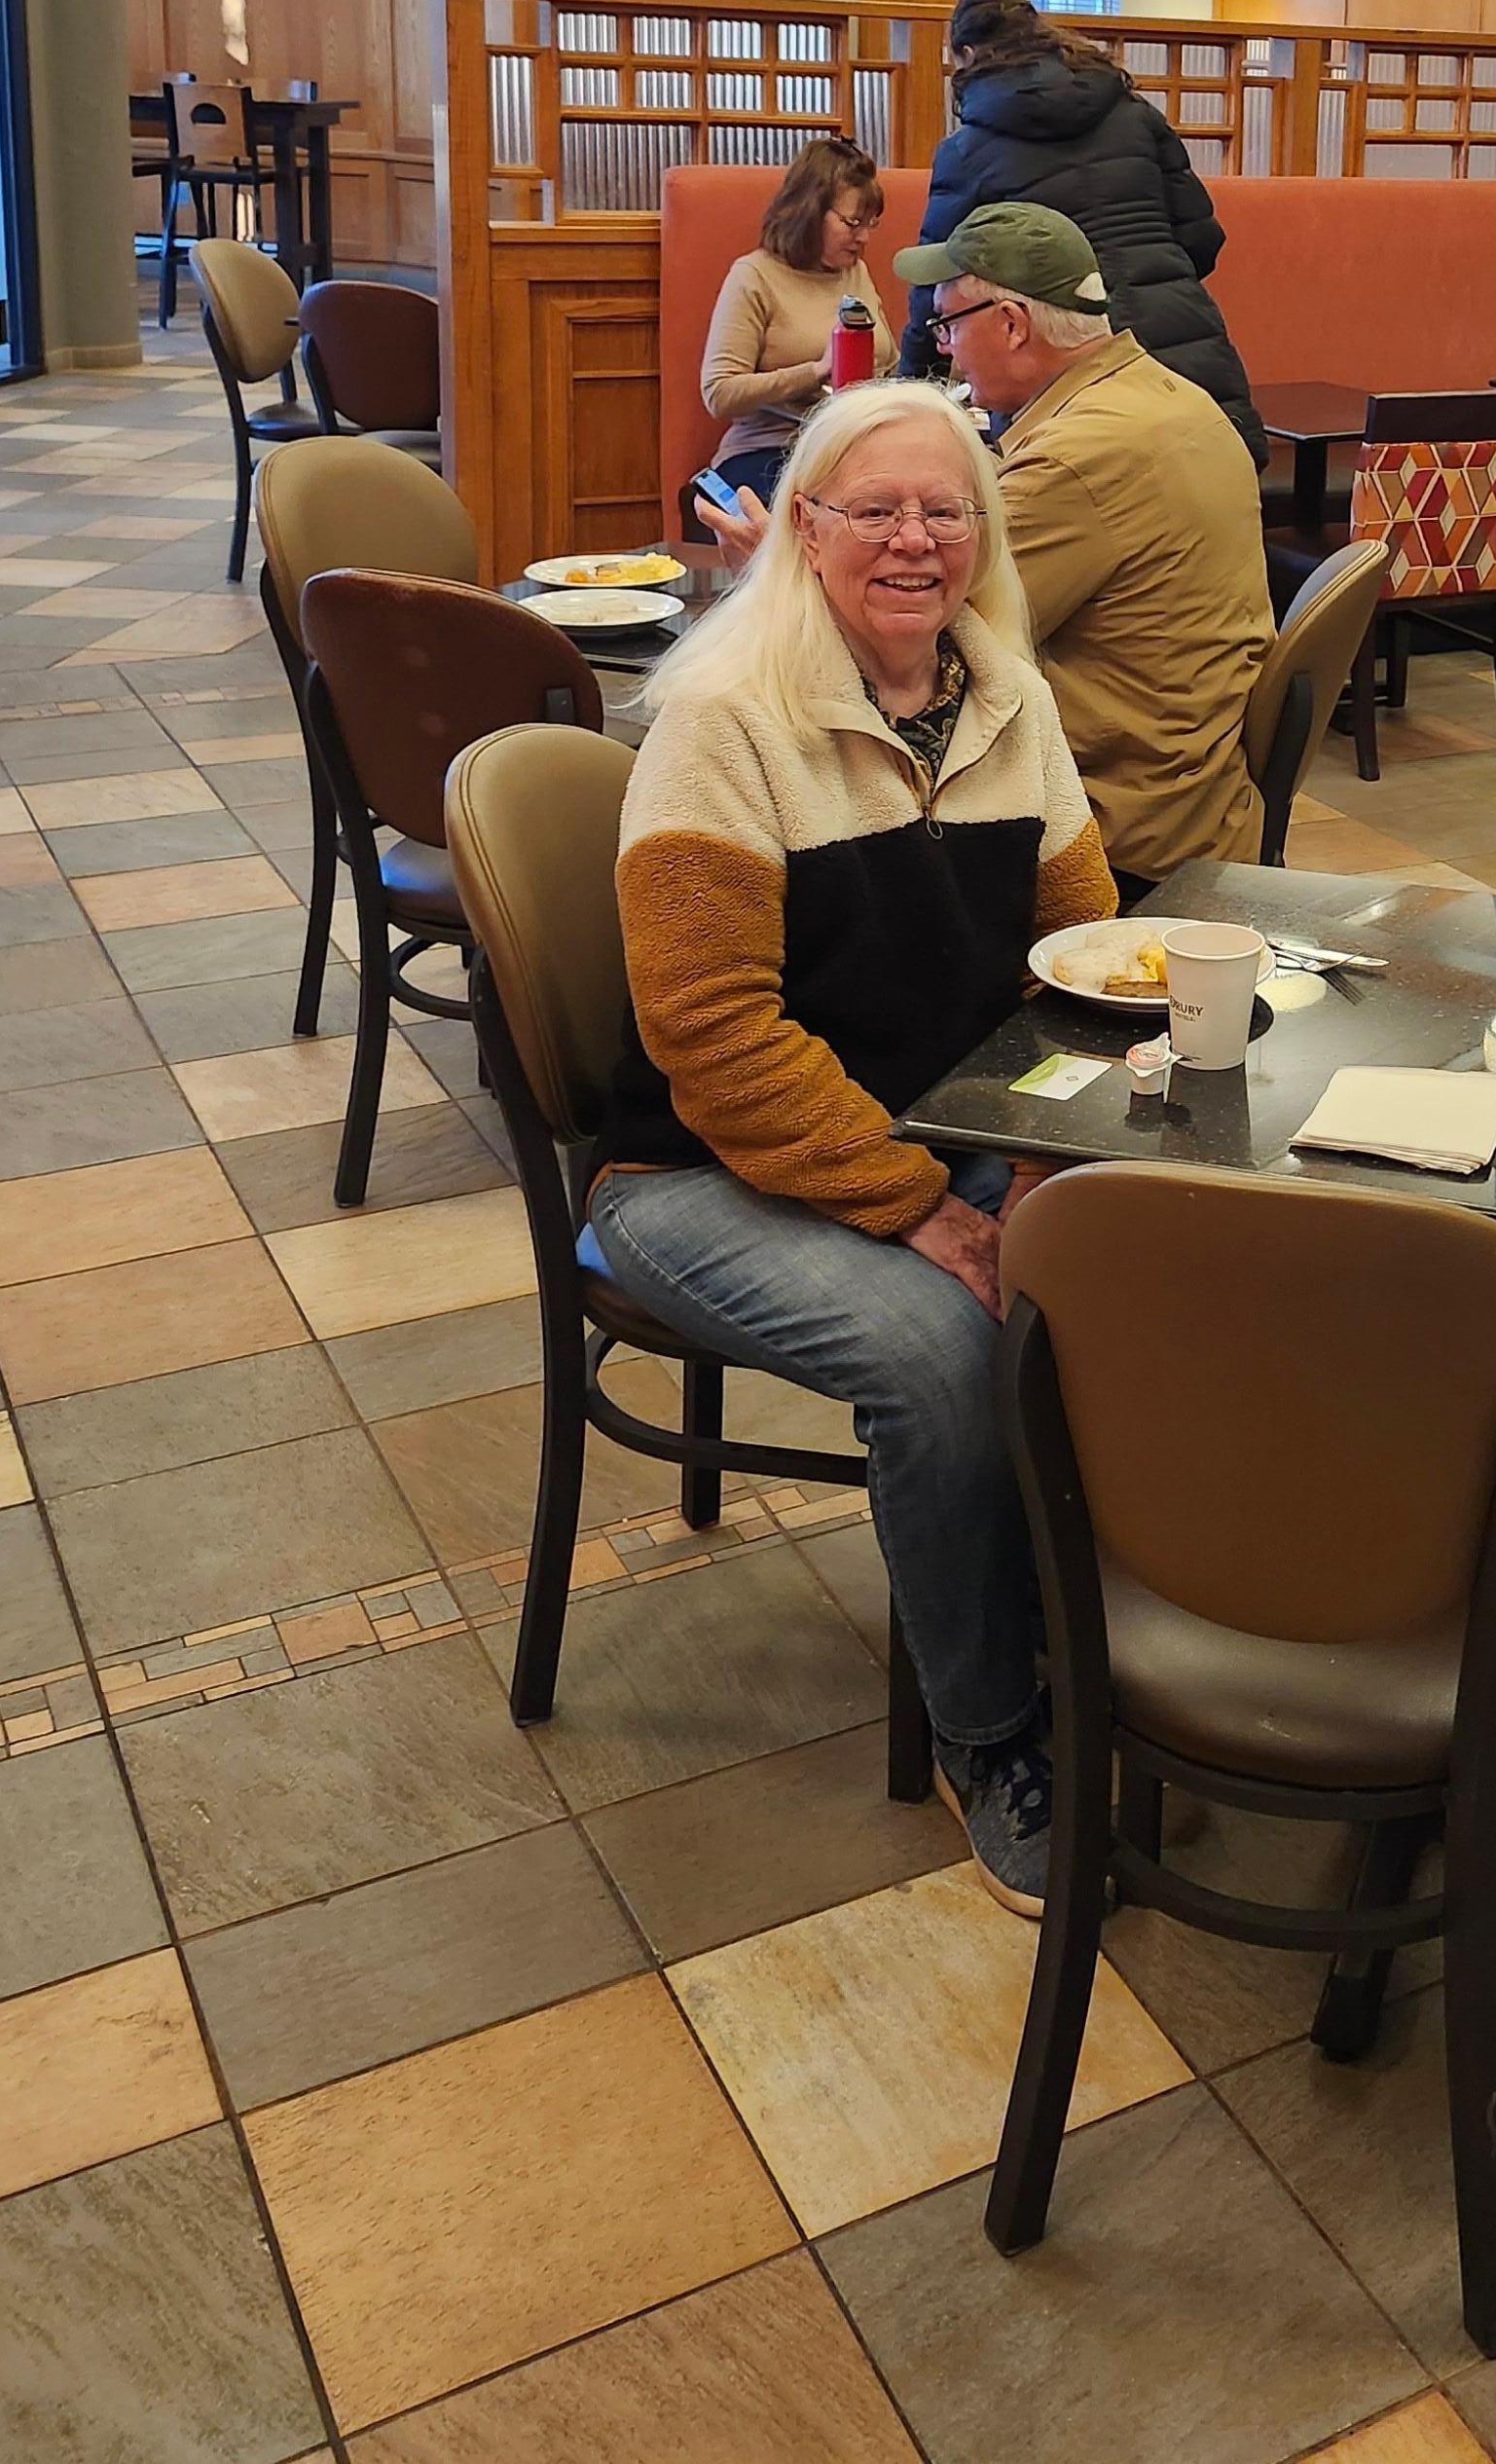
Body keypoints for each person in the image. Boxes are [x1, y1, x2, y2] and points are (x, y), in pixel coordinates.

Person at [588, 378, 1115, 1918]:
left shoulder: (1006, 695)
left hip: (932, 1135)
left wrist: (1031, 1167)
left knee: (1134, 1269)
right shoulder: (727, 715)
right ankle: (994, 1731)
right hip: (688, 1172)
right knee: (947, 1354)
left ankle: (1087, 1641)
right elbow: (711, 1040)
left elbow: (1081, 952)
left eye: (945, 509)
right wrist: (928, 1214)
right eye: (872, 509)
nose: (913, 539)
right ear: (802, 531)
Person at [891, 202, 1270, 898]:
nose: (942, 347)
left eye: (948, 324)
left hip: (1119, 833)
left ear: (1011, 324)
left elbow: (929, 633)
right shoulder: (1170, 397)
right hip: (1198, 796)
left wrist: (805, 558)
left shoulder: (1078, 457)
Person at [898, 0, 1264, 466]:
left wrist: (908, 392)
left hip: (1061, 364)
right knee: (1213, 484)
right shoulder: (1135, 113)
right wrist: (1153, 271)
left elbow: (938, 286)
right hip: (1183, 346)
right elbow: (1202, 237)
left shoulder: (968, 151)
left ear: (965, 56)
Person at [698, 135, 890, 509]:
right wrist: (816, 371)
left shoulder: (856, 272)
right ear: (810, 210)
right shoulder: (754, 276)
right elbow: (719, 393)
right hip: (773, 448)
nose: (863, 237)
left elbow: (888, 362)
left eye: (871, 225)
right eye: (853, 223)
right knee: (835, 513)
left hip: (854, 444)